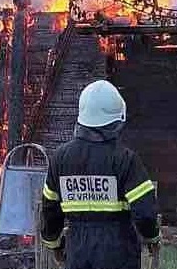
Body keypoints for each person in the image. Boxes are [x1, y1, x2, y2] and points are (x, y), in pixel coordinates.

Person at [40, 80, 160, 269]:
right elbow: (145, 213)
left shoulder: (60, 158)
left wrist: (55, 245)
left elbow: (50, 210)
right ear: (116, 122)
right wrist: (152, 238)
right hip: (118, 251)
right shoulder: (125, 160)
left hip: (77, 251)